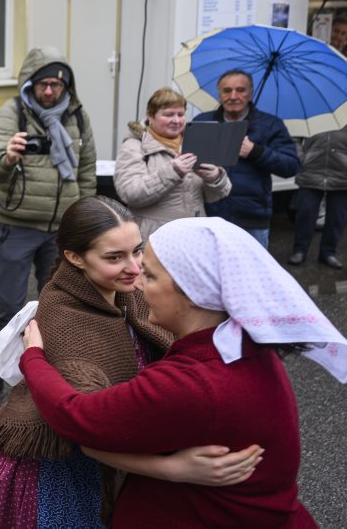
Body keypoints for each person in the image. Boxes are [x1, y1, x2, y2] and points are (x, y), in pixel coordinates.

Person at [0, 197, 261, 528]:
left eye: (138, 251)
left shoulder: (129, 292)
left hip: (111, 448)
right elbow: (83, 429)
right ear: (75, 258)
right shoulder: (65, 319)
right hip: (63, 469)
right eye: (115, 257)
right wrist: (174, 468)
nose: (135, 267)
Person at [21, 216, 347, 526]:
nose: (136, 286)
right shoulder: (244, 346)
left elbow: (75, 416)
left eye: (149, 275)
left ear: (193, 291)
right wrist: (168, 468)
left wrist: (34, 357)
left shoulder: (192, 383)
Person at [0, 46, 97, 350]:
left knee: (58, 306)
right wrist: (8, 157)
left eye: (55, 85)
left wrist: (84, 222)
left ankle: (46, 379)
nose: (48, 91)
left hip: (62, 230)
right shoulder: (13, 112)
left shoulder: (78, 116)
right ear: (30, 83)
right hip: (17, 225)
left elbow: (86, 171)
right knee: (8, 308)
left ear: (65, 85)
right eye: (42, 84)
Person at [192, 69, 299, 248]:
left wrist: (256, 152)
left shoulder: (270, 124)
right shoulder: (203, 122)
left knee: (252, 274)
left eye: (240, 90)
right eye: (227, 91)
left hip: (251, 218)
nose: (233, 96)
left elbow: (290, 166)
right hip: (209, 215)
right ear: (219, 95)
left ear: (251, 93)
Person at [114, 87, 231, 239]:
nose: (176, 120)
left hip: (195, 234)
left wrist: (215, 177)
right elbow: (130, 194)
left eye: (181, 114)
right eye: (168, 115)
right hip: (154, 237)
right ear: (150, 115)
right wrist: (173, 171)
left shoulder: (195, 142)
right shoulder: (135, 146)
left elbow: (217, 195)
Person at [289, 127, 347, 269]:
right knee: (305, 213)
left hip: (342, 176)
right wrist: (302, 159)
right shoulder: (313, 112)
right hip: (311, 173)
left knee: (337, 217)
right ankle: (300, 250)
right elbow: (294, 139)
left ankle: (328, 253)